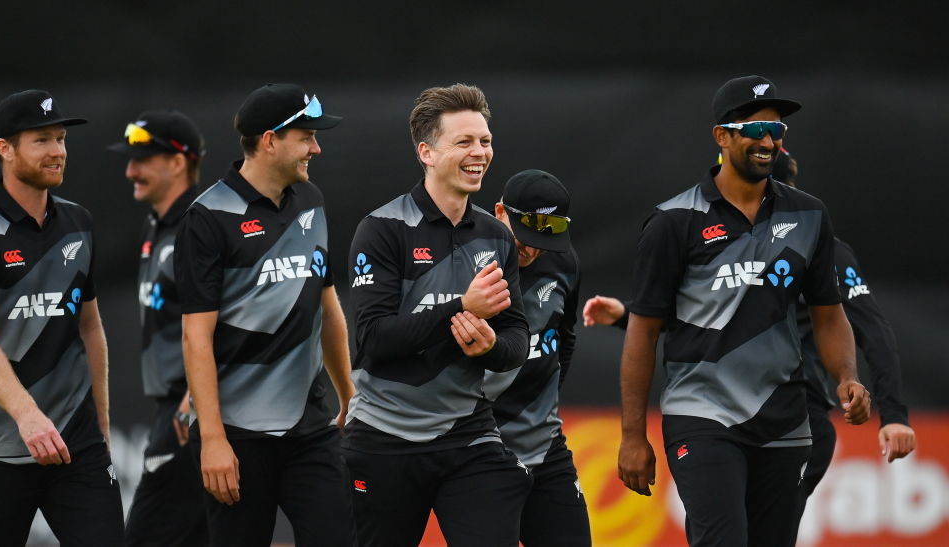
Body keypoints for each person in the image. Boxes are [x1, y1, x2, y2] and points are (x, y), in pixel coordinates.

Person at [617, 75, 871, 547]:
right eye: (756, 130)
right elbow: (643, 331)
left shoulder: (809, 215)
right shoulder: (675, 221)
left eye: (778, 132)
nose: (770, 141)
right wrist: (633, 436)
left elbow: (828, 315)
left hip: (785, 420)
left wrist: (847, 377)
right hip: (702, 414)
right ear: (722, 136)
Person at [343, 84, 532, 546]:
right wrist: (461, 308)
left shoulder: (496, 236)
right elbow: (371, 342)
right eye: (464, 142)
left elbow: (516, 341)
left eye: (485, 141)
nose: (480, 153)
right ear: (426, 152)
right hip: (382, 440)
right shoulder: (382, 229)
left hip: (468, 437)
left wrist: (491, 346)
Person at [0, 89, 124, 545]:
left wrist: (99, 425)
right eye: (42, 139)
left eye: (61, 139)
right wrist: (29, 417)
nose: (58, 151)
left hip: (75, 447)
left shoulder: (79, 223)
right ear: (5, 149)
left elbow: (90, 326)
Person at [173, 83, 355, 546]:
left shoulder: (311, 200)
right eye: (306, 136)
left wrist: (349, 397)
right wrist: (211, 438)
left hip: (310, 428)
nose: (317, 146)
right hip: (236, 435)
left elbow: (328, 306)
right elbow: (196, 336)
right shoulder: (208, 216)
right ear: (270, 140)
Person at [770, 149, 917, 540]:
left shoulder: (824, 250)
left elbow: (873, 329)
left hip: (797, 416)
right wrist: (631, 316)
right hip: (727, 417)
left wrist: (895, 414)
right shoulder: (720, 245)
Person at [107, 110, 209, 546]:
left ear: (178, 162)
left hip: (190, 412)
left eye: (143, 159)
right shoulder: (158, 224)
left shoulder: (199, 226)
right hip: (177, 409)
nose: (131, 170)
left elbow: (232, 317)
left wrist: (194, 398)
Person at [482, 169, 591, 546]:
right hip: (480, 448)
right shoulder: (465, 258)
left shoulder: (564, 262)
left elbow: (565, 338)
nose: (531, 249)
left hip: (545, 445)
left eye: (543, 240)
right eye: (523, 236)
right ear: (499, 212)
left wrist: (543, 405)